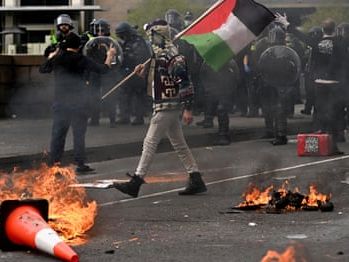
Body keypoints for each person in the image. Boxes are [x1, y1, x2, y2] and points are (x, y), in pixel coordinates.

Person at [113, 19, 207, 198]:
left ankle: (136, 182)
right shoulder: (161, 55)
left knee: (149, 143)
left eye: (152, 36)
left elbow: (185, 82)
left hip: (167, 106)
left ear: (159, 36)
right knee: (180, 144)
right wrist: (144, 71)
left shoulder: (172, 56)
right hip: (166, 104)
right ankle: (196, 178)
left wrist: (188, 108)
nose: (150, 40)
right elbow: (158, 81)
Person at [39, 32, 116, 173]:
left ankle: (54, 166)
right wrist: (110, 56)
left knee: (58, 135)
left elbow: (42, 69)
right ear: (78, 46)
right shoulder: (81, 59)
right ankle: (80, 164)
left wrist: (53, 55)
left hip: (60, 103)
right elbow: (103, 70)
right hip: (79, 104)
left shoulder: (58, 58)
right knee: (79, 135)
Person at [276, 14, 345, 152]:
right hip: (334, 83)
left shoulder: (316, 42)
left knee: (319, 111)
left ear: (322, 29)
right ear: (334, 29)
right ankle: (333, 141)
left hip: (319, 82)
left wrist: (287, 24)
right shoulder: (340, 43)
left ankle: (317, 142)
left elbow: (300, 35)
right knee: (333, 112)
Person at [114, 21, 151, 125]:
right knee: (124, 94)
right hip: (125, 72)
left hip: (137, 72)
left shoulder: (138, 41)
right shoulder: (126, 41)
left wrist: (127, 56)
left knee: (138, 96)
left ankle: (138, 117)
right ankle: (124, 116)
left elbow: (141, 56)